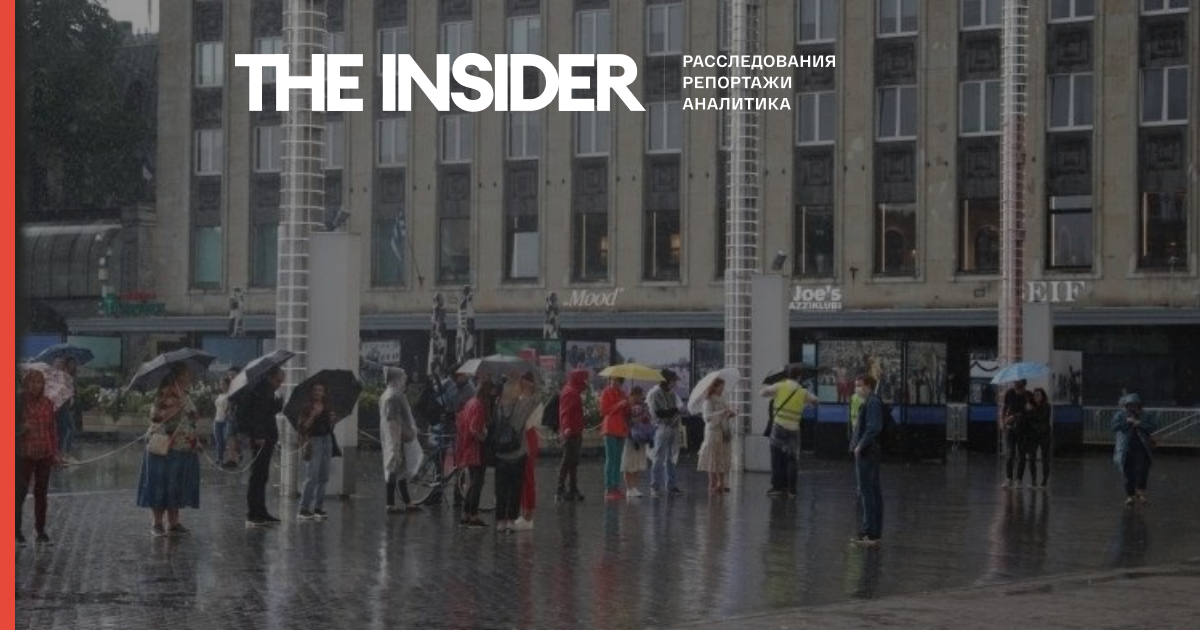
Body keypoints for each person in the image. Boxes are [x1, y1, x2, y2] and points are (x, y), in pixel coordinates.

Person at [136, 363, 203, 537]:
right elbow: (156, 417)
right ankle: (157, 523)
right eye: (187, 373)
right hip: (164, 447)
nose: (190, 376)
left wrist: (195, 439)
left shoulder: (185, 394)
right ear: (179, 376)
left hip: (182, 447)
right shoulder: (165, 393)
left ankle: (173, 523)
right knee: (160, 484)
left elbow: (191, 420)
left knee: (176, 485)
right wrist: (176, 408)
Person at [759, 366, 817, 498]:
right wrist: (807, 403)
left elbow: (762, 393)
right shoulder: (803, 391)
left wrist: (769, 390)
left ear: (788, 375)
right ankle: (792, 490)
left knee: (776, 457)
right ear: (799, 377)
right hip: (794, 429)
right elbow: (815, 400)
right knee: (792, 459)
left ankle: (777, 488)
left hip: (778, 427)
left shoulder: (780, 386)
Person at [18, 370, 61, 546]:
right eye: (32, 382)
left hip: (44, 454)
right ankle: (16, 531)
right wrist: (21, 428)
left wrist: (55, 453)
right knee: (19, 493)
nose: (35, 385)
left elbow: (52, 430)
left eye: (38, 382)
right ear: (26, 384)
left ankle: (41, 531)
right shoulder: (19, 403)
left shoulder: (48, 403)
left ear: (43, 384)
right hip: (24, 454)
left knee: (41, 494)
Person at [494, 373, 539, 532]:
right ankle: (511, 521)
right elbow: (535, 400)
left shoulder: (498, 405)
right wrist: (528, 388)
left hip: (500, 451)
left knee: (501, 488)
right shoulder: (519, 407)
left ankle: (501, 521)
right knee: (515, 488)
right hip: (516, 452)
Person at [242, 366, 284, 526]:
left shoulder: (268, 390)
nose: (279, 384)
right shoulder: (261, 391)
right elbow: (258, 415)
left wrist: (278, 403)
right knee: (257, 476)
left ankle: (261, 510)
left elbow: (268, 412)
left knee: (262, 475)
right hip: (261, 438)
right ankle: (253, 513)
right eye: (278, 380)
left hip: (267, 437)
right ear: (269, 377)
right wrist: (258, 435)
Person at [380, 368, 423, 513]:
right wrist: (410, 432)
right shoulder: (394, 396)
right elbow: (394, 420)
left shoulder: (389, 394)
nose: (405, 380)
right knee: (394, 469)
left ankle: (407, 502)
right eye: (403, 377)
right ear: (396, 379)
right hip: (397, 439)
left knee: (400, 470)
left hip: (396, 438)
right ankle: (390, 504)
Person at [849, 374, 884, 546]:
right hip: (868, 451)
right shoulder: (870, 401)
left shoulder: (872, 402)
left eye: (859, 385)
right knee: (872, 491)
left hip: (867, 452)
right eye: (856, 385)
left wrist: (860, 445)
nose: (857, 388)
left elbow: (874, 427)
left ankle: (869, 532)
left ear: (868, 386)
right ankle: (874, 532)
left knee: (867, 492)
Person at [296, 383, 338, 521]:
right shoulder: (306, 407)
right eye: (315, 390)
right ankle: (303, 509)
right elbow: (302, 428)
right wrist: (312, 416)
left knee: (323, 477)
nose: (317, 392)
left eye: (320, 390)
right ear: (311, 392)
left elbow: (329, 427)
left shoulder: (327, 407)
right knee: (312, 476)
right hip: (313, 442)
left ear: (324, 393)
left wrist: (332, 421)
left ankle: (318, 508)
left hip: (327, 441)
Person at [456, 379, 493, 528]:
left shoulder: (471, 402)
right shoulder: (479, 405)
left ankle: (465, 515)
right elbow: (474, 428)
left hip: (467, 447)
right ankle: (473, 516)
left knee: (473, 483)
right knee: (477, 483)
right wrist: (484, 437)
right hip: (477, 450)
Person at [1112, 393, 1157, 507]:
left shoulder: (1146, 415)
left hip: (1142, 447)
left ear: (1139, 405)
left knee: (1142, 470)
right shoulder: (1120, 415)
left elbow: (1153, 427)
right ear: (1127, 406)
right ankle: (1130, 496)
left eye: (1135, 405)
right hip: (1125, 447)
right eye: (1131, 405)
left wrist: (1140, 424)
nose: (1133, 408)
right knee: (1128, 473)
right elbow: (1114, 427)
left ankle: (1141, 493)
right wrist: (1126, 422)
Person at [648, 371, 684, 497]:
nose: (674, 383)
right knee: (658, 458)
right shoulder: (655, 393)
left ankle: (671, 486)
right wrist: (675, 410)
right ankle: (655, 487)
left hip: (672, 427)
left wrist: (677, 412)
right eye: (673, 381)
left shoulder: (671, 394)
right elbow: (659, 412)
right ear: (667, 381)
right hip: (661, 428)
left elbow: (673, 410)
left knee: (671, 458)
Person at [696, 377, 736, 493]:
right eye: (720, 386)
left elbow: (724, 416)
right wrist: (722, 412)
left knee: (722, 457)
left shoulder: (722, 399)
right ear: (714, 387)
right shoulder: (708, 401)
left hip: (723, 431)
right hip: (713, 432)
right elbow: (707, 418)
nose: (722, 389)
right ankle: (712, 483)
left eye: (723, 386)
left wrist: (730, 415)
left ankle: (722, 483)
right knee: (713, 457)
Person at [556, 369, 590, 502]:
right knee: (567, 461)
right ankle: (560, 489)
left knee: (572, 461)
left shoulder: (572, 390)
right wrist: (567, 428)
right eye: (584, 379)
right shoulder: (570, 392)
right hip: (571, 432)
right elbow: (565, 412)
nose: (586, 382)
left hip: (575, 431)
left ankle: (572, 488)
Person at [515, 372, 543, 531]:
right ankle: (523, 512)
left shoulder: (535, 402)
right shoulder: (521, 399)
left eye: (522, 381)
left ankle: (529, 515)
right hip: (520, 438)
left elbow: (526, 423)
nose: (519, 384)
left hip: (528, 437)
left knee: (528, 477)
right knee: (520, 477)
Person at [599, 376, 630, 500]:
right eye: (612, 379)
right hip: (610, 429)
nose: (613, 381)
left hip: (621, 429)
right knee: (611, 459)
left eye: (616, 380)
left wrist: (628, 404)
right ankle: (609, 488)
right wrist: (618, 404)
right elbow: (603, 411)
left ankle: (616, 487)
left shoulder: (623, 394)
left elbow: (626, 412)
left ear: (620, 382)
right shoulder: (606, 393)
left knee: (618, 460)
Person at [1000, 379, 1033, 488]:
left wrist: (1015, 416)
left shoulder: (1028, 396)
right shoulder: (1009, 393)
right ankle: (1008, 478)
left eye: (1020, 387)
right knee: (1010, 454)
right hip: (1011, 428)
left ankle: (1019, 479)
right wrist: (1002, 421)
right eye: (1015, 386)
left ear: (1024, 386)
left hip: (1023, 429)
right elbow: (1004, 407)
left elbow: (1030, 413)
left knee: (1022, 455)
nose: (1017, 389)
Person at [1019, 387, 1053, 489]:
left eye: (1038, 395)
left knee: (1045, 458)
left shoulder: (1046, 406)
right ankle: (1034, 480)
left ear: (1042, 396)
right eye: (1034, 395)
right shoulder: (1030, 406)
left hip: (1044, 435)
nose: (1036, 397)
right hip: (1033, 436)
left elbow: (1041, 418)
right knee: (1032, 458)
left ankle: (1044, 481)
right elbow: (1028, 419)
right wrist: (1028, 410)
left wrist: (1032, 411)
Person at [621, 387, 651, 497]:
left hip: (641, 437)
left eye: (640, 395)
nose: (639, 397)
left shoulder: (644, 406)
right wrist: (634, 417)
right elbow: (625, 420)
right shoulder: (626, 406)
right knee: (629, 463)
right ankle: (629, 488)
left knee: (637, 463)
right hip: (630, 437)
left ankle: (634, 487)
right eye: (637, 395)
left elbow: (648, 419)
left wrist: (644, 415)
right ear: (632, 395)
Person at [53, 357, 79, 465]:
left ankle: (62, 453)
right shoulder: (58, 376)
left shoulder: (68, 376)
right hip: (60, 406)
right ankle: (63, 453)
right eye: (71, 363)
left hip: (65, 406)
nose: (73, 366)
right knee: (66, 430)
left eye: (74, 363)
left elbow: (71, 391)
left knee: (64, 431)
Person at [212, 372, 234, 469]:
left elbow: (230, 407)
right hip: (217, 420)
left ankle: (233, 457)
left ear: (228, 384)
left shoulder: (230, 395)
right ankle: (219, 458)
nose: (222, 386)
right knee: (218, 440)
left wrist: (227, 411)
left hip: (226, 420)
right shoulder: (219, 395)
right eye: (220, 384)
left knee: (226, 440)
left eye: (223, 384)